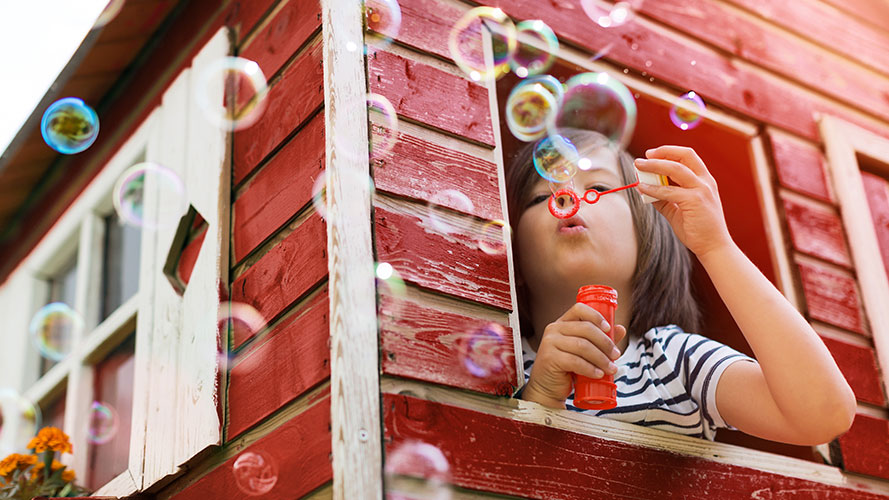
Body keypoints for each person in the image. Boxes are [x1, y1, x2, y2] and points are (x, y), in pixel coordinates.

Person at [507, 128, 857, 444]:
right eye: (542, 196)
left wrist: (716, 246)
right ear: (515, 259)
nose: (567, 197)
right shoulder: (506, 365)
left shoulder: (675, 361)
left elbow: (823, 415)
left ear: (647, 239)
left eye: (597, 187)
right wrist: (539, 395)